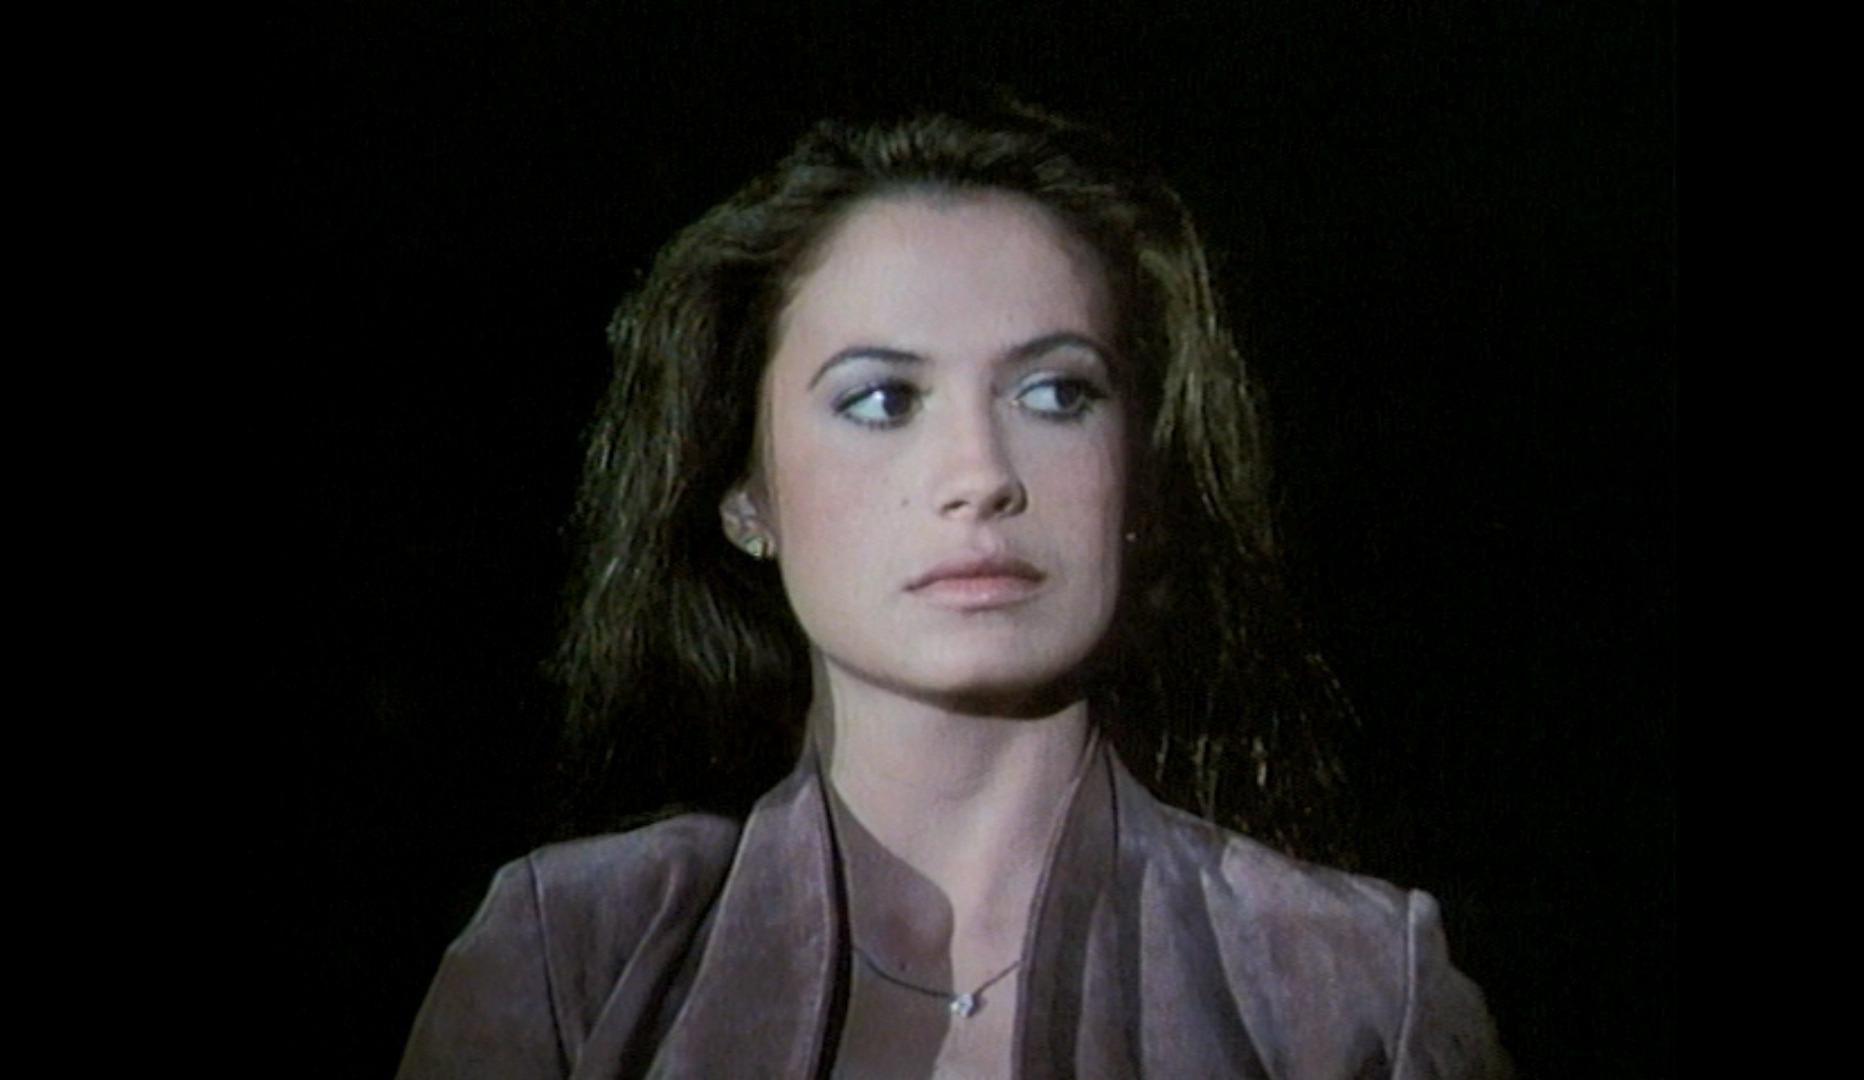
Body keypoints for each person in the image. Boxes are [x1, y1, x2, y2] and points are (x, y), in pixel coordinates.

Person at [397, 102, 1509, 1079]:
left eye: (1057, 393)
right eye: (882, 401)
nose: (980, 475)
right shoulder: (571, 961)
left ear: (1142, 476)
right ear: (745, 493)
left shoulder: (1352, 989)